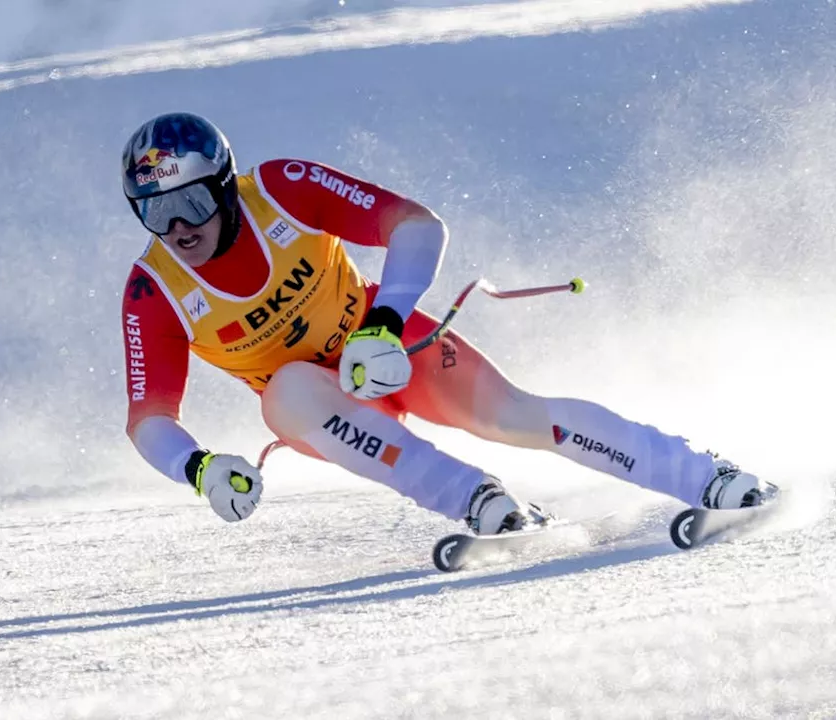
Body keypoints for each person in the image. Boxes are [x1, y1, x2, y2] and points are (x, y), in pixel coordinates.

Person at [120, 111, 776, 533]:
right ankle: (473, 499)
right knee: (288, 391)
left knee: (512, 416)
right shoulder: (157, 290)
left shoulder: (281, 189)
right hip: (326, 411)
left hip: (389, 345)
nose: (177, 228)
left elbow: (416, 226)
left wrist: (384, 321)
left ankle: (702, 476)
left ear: (226, 186)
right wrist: (200, 469)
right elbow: (149, 419)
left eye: (190, 202)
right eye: (154, 212)